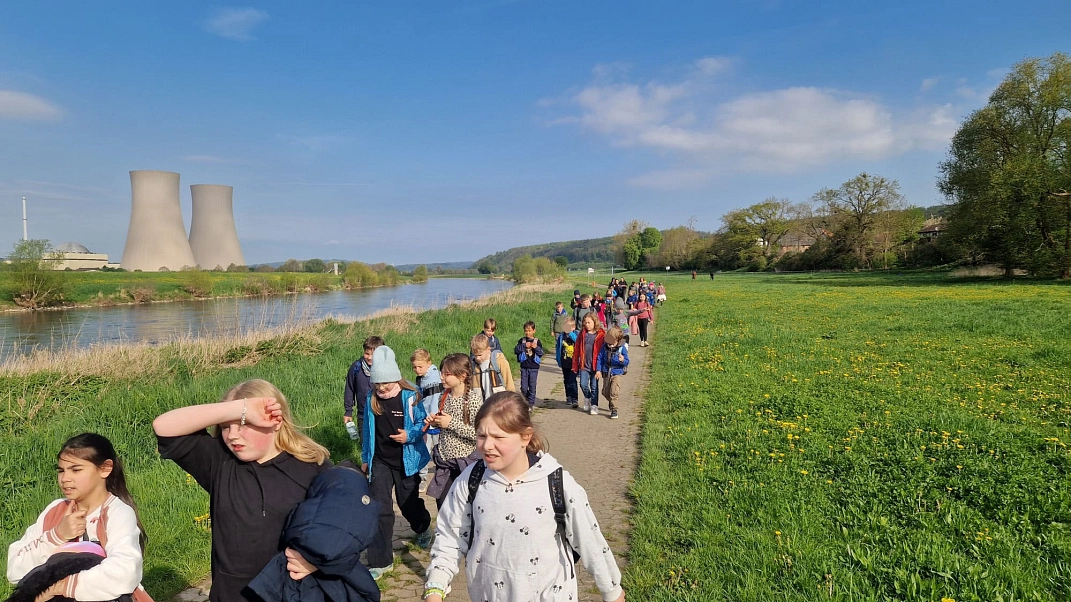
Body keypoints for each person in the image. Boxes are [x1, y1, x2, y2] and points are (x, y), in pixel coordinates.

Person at [423, 392, 625, 602]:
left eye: (498, 437)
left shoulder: (556, 484)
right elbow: (450, 536)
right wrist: (436, 586)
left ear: (525, 437)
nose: (487, 446)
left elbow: (590, 542)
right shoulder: (470, 479)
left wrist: (612, 591)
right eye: (481, 436)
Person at [153, 380, 331, 602]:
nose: (233, 436)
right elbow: (164, 427)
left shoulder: (312, 467)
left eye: (243, 424)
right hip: (231, 594)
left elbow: (348, 526)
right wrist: (241, 409)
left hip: (294, 593)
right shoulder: (220, 461)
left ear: (275, 421)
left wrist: (318, 560)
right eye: (226, 426)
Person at [7, 433, 152, 602]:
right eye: (61, 471)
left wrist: (60, 587)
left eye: (76, 470)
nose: (65, 479)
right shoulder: (54, 511)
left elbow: (125, 571)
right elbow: (14, 570)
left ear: (105, 468)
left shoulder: (117, 512)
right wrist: (56, 536)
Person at [360, 345, 433, 580]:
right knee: (379, 508)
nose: (381, 388)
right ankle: (381, 561)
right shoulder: (372, 399)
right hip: (380, 460)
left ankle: (422, 527)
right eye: (377, 384)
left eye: (386, 383)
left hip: (406, 459)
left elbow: (423, 423)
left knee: (407, 502)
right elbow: (367, 432)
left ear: (395, 378)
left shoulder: (410, 396)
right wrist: (365, 459)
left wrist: (408, 436)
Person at [424, 353, 484, 508]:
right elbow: (445, 425)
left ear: (462, 376)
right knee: (443, 505)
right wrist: (436, 422)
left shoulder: (474, 401)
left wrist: (451, 423)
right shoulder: (443, 396)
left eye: (447, 374)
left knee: (464, 507)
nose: (442, 377)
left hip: (466, 463)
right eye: (441, 373)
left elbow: (479, 435)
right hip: (444, 461)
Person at [412, 348, 444, 488]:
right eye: (414, 367)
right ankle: (422, 478)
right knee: (423, 449)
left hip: (437, 421)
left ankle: (441, 476)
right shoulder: (420, 380)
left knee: (440, 450)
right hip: (425, 420)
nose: (417, 370)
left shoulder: (438, 375)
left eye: (420, 366)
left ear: (429, 363)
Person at [344, 335, 385, 440]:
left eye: (374, 354)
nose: (370, 357)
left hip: (383, 413)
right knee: (365, 443)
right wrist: (348, 411)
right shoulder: (356, 367)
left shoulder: (387, 368)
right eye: (367, 353)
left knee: (382, 443)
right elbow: (349, 389)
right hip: (363, 413)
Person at [572, 312, 605, 415]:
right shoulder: (582, 334)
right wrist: (574, 365)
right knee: (583, 384)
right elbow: (577, 349)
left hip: (595, 366)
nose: (587, 325)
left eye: (589, 322)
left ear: (595, 322)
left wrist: (602, 368)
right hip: (584, 365)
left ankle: (594, 405)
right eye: (585, 323)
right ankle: (588, 397)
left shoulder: (601, 334)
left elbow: (605, 351)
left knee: (594, 386)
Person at [597, 326, 630, 420]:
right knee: (605, 392)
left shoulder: (621, 348)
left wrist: (623, 360)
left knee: (614, 392)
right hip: (606, 372)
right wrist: (598, 370)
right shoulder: (605, 347)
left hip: (617, 372)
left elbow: (627, 361)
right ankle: (611, 401)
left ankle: (614, 409)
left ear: (616, 339)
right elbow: (599, 358)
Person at [471, 333, 516, 401]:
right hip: (482, 405)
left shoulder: (500, 362)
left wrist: (512, 401)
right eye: (475, 355)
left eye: (480, 355)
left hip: (499, 403)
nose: (477, 358)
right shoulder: (475, 366)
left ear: (488, 349)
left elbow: (509, 383)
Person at [513, 320, 545, 409]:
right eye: (526, 331)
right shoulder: (522, 341)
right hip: (524, 367)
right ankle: (525, 400)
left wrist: (536, 347)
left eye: (530, 331)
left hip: (534, 367)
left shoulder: (537, 341)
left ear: (534, 331)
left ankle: (530, 404)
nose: (528, 333)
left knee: (532, 386)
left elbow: (541, 353)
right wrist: (523, 346)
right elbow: (516, 350)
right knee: (523, 387)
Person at [556, 317, 579, 407]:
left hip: (573, 363)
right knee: (566, 380)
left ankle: (575, 398)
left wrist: (571, 334)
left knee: (572, 380)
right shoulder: (561, 336)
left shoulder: (575, 335)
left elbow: (577, 342)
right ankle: (568, 397)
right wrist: (558, 359)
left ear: (573, 327)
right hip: (564, 361)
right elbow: (558, 348)